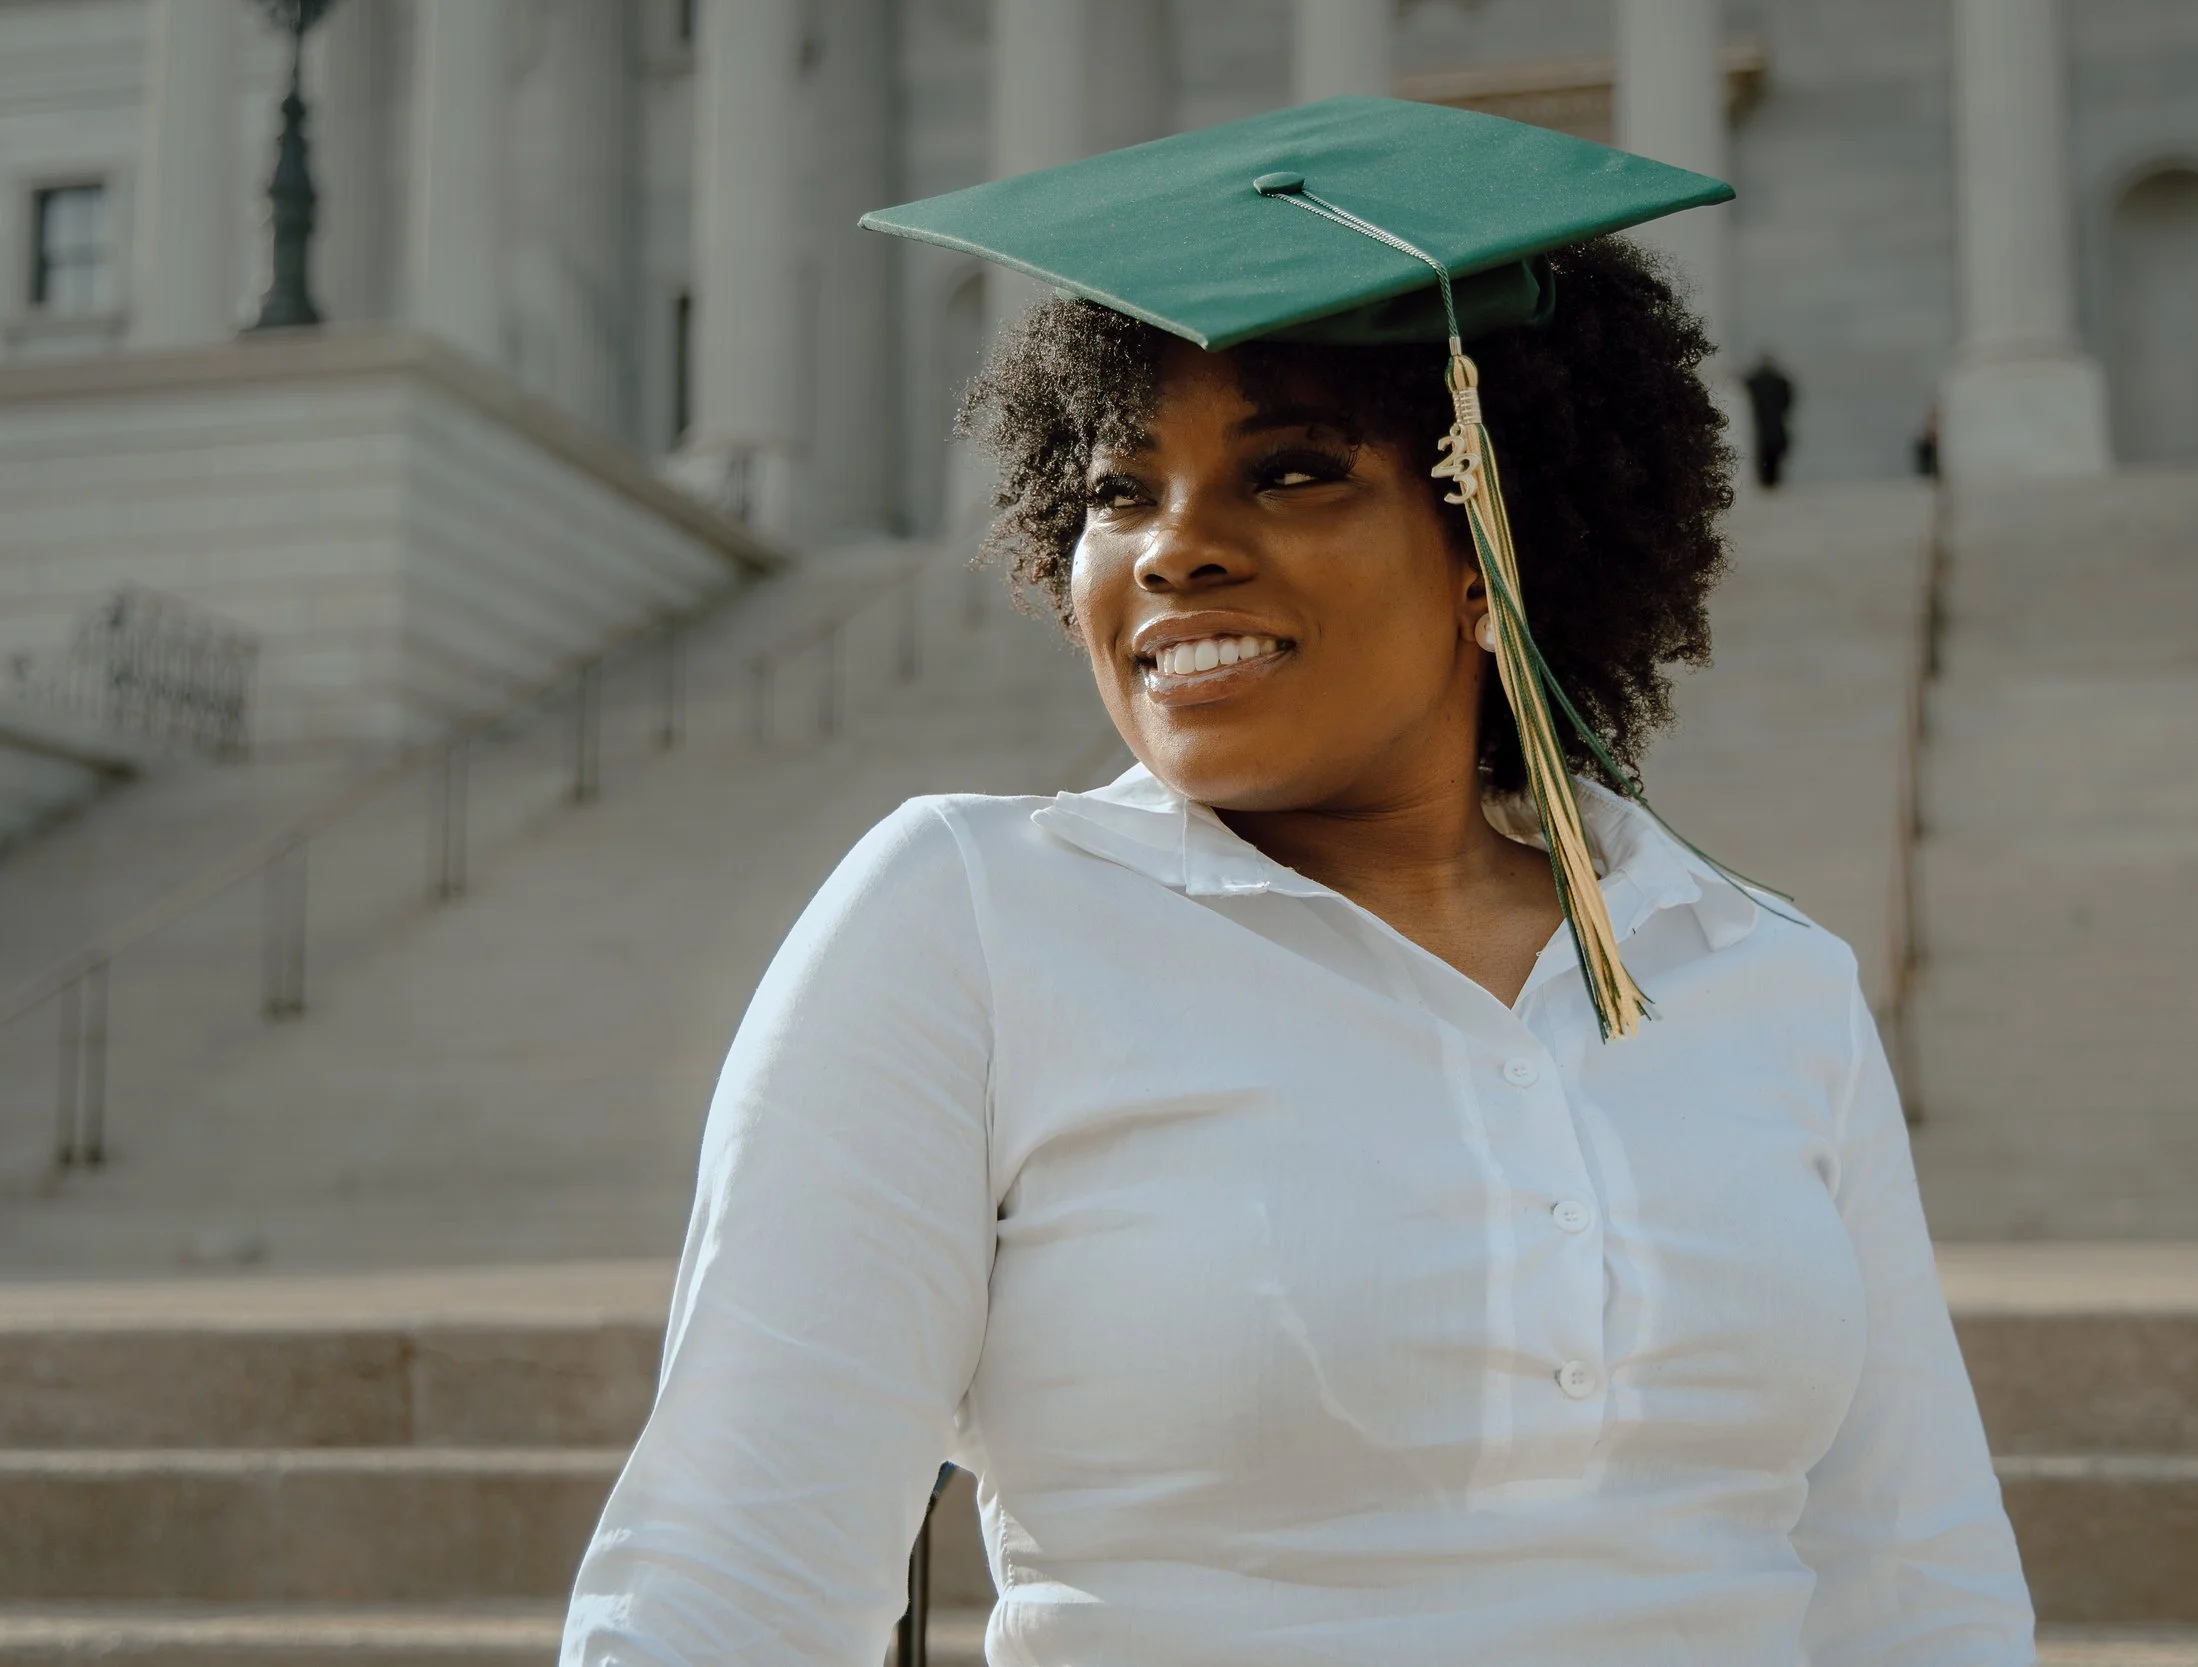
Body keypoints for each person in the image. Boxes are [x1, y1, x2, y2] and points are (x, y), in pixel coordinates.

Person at [562, 96, 2034, 1667]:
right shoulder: (969, 918)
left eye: (1290, 475)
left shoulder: (1760, 969)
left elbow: (1917, 1582)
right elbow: (730, 1581)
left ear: (1496, 542)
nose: (1172, 549)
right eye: (1119, 490)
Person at [1743, 351, 1797, 489]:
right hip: (1776, 423)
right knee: (1774, 452)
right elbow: (1788, 401)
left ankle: (1766, 481)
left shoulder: (1754, 381)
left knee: (1763, 452)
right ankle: (1772, 481)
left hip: (1760, 423)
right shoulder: (1781, 382)